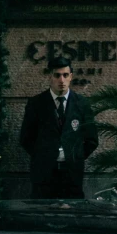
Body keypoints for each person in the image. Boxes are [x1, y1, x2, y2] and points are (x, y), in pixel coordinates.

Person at [20, 56, 98, 199]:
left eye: (65, 75)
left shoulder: (82, 104)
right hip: (44, 174)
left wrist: (75, 156)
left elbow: (92, 139)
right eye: (57, 75)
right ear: (50, 76)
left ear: (71, 77)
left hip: (72, 174)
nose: (61, 80)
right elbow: (26, 138)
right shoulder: (36, 103)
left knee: (72, 214)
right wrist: (43, 156)